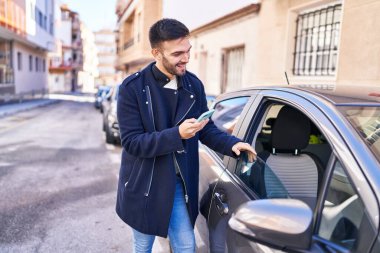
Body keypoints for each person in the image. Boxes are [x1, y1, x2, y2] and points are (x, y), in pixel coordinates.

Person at [115, 18, 256, 253]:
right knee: (143, 246)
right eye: (178, 53)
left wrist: (233, 144)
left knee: (186, 246)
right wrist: (177, 134)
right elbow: (132, 142)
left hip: (180, 183)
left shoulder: (193, 85)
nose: (186, 58)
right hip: (145, 184)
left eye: (188, 50)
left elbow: (206, 129)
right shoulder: (132, 88)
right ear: (157, 53)